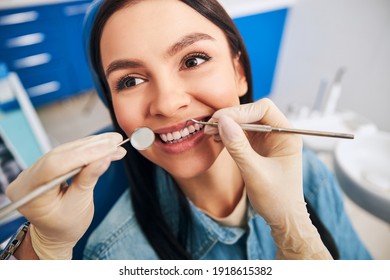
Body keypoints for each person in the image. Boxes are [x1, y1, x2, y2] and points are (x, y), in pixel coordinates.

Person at [5, 0, 371, 260]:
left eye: (193, 60)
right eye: (130, 80)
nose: (166, 103)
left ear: (239, 70)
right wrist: (36, 255)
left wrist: (296, 234)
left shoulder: (309, 174)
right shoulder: (114, 253)